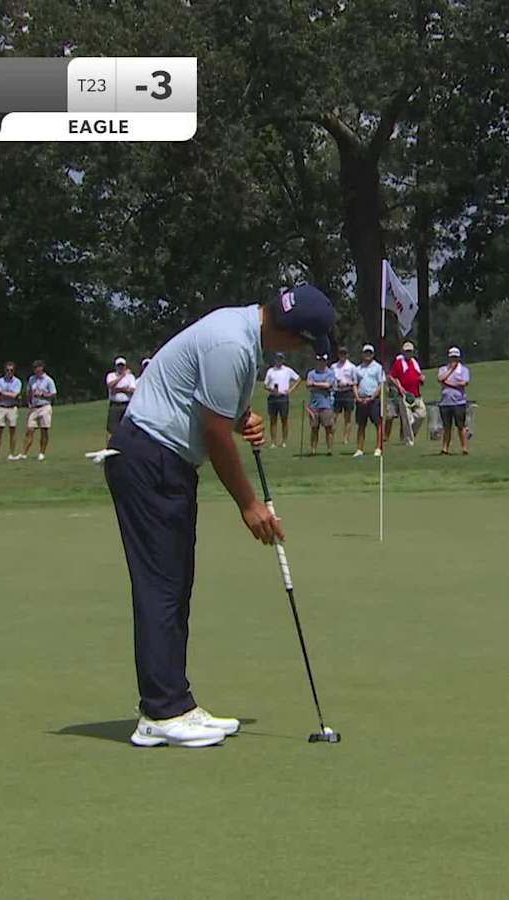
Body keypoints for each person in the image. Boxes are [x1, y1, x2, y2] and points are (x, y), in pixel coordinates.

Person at [104, 283, 335, 748]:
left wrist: (241, 415)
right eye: (305, 344)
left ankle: (173, 702)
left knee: (173, 583)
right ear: (290, 333)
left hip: (161, 458)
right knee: (162, 586)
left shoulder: (241, 333)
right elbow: (213, 433)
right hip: (151, 458)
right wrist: (249, 505)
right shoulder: (234, 344)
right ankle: (162, 712)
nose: (300, 352)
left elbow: (216, 410)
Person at [386, 340, 426, 445]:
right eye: (407, 351)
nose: (409, 353)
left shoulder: (415, 362)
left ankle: (407, 434)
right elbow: (391, 376)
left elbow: (418, 375)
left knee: (421, 415)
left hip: (416, 395)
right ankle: (409, 441)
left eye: (410, 351)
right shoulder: (399, 362)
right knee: (407, 419)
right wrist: (399, 387)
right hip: (404, 395)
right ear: (403, 352)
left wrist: (422, 378)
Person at [352, 344, 386, 457]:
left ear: (373, 354)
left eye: (369, 353)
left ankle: (378, 448)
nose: (367, 355)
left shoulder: (378, 367)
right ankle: (359, 449)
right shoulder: (357, 369)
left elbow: (381, 384)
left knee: (378, 424)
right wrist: (357, 397)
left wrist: (372, 397)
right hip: (361, 400)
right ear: (362, 354)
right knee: (361, 425)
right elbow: (355, 384)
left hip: (374, 400)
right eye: (366, 352)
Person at [437, 346, 472, 455]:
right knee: (447, 426)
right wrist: (451, 370)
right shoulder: (443, 369)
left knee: (461, 426)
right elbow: (440, 378)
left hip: (459, 402)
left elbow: (464, 383)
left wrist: (449, 383)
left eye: (456, 358)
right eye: (452, 357)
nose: (454, 360)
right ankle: (445, 448)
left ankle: (464, 448)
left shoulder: (464, 370)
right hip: (445, 402)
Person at [263, 351, 300, 448]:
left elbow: (298, 379)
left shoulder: (287, 370)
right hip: (273, 397)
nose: (279, 360)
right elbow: (265, 385)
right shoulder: (270, 371)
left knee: (284, 419)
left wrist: (291, 390)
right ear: (275, 359)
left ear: (283, 360)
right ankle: (273, 442)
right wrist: (271, 389)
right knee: (273, 420)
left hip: (283, 397)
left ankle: (284, 441)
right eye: (277, 358)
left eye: (281, 359)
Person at [21, 360, 57, 461]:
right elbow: (29, 392)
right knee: (30, 430)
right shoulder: (32, 379)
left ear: (41, 368)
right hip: (34, 408)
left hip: (45, 406)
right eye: (34, 368)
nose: (36, 370)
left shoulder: (48, 380)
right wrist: (29, 403)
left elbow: (53, 394)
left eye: (37, 367)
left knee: (44, 430)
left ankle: (42, 453)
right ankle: (23, 453)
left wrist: (43, 394)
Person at [305, 354, 337, 455]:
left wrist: (314, 384)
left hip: (326, 404)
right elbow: (307, 384)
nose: (321, 362)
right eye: (319, 360)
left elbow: (328, 385)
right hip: (314, 405)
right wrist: (321, 385)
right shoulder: (311, 373)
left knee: (329, 428)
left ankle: (329, 450)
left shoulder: (330, 373)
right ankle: (313, 450)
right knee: (314, 428)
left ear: (326, 361)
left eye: (323, 360)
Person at [0, 361, 23, 462]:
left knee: (12, 430)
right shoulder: (0, 381)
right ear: (4, 370)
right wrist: (9, 394)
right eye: (7, 370)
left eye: (11, 370)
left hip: (12, 408)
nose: (9, 372)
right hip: (1, 407)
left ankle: (11, 454)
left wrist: (3, 393)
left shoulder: (17, 381)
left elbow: (15, 395)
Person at [331, 346, 358, 443]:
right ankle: (331, 436)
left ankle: (345, 438)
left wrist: (347, 383)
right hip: (337, 392)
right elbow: (331, 379)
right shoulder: (333, 366)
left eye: (344, 353)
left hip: (347, 392)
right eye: (341, 353)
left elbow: (355, 381)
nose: (342, 355)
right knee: (334, 416)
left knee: (348, 417)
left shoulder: (352, 367)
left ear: (347, 355)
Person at [106, 357, 137, 436]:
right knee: (112, 427)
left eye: (122, 366)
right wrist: (121, 377)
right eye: (119, 366)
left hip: (126, 404)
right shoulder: (111, 375)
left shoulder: (130, 377)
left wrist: (118, 389)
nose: (121, 368)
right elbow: (110, 385)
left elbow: (132, 390)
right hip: (115, 404)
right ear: (116, 367)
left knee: (127, 426)